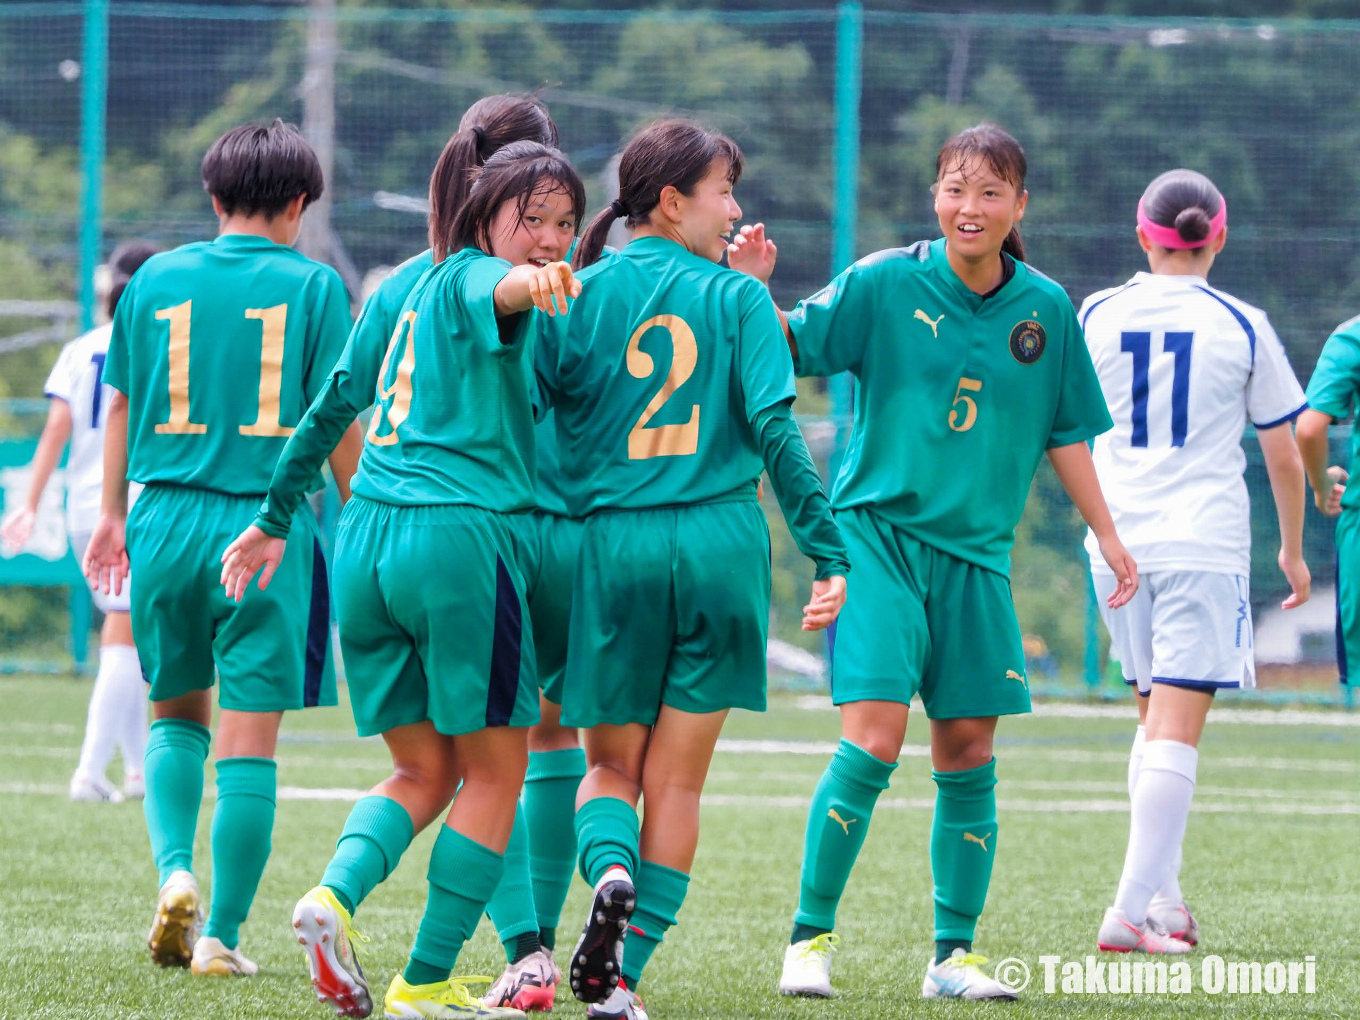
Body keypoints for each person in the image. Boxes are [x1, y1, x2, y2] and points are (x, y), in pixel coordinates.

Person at [729, 122, 1135, 1000]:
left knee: (969, 750)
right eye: (956, 188)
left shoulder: (1047, 309)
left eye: (990, 191)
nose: (970, 207)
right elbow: (787, 345)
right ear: (935, 197)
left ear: (1020, 205)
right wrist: (752, 286)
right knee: (873, 739)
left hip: (978, 559)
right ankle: (808, 940)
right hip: (876, 539)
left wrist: (1107, 533)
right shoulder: (884, 281)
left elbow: (1066, 432)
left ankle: (953, 957)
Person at [221, 141, 585, 1020]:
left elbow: (329, 409)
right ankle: (424, 978)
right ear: (482, 213)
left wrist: (273, 517)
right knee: (496, 773)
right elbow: (497, 290)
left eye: (564, 223)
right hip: (459, 542)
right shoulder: (483, 278)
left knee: (424, 770)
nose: (549, 236)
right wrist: (531, 281)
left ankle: (332, 897)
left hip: (368, 538)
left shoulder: (395, 290)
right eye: (532, 218)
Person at [536, 119, 850, 1020]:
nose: (736, 209)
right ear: (672, 203)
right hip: (719, 546)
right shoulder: (742, 298)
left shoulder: (574, 293)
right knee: (677, 784)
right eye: (724, 191)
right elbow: (778, 432)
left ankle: (612, 872)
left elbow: (532, 422)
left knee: (609, 768)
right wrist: (827, 549)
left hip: (614, 545)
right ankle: (622, 980)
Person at [82, 119, 362, 976]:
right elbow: (334, 415)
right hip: (264, 528)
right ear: (300, 204)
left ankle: (175, 874)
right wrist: (363, 516)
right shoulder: (315, 287)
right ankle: (223, 936)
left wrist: (110, 516)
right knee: (248, 744)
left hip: (161, 516)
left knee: (174, 715)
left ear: (213, 196)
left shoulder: (153, 279)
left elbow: (120, 403)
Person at [1082, 169, 1310, 954]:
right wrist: (1291, 549)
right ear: (1220, 237)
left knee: (1153, 722)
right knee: (1176, 731)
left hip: (1115, 545)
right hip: (1200, 545)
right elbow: (1284, 453)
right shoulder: (1242, 324)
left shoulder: (1095, 312)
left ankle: (1166, 904)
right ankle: (1126, 912)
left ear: (1141, 235)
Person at [2, 240, 159, 803]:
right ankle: (91, 771)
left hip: (82, 507)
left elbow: (55, 430)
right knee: (126, 629)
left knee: (126, 631)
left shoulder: (79, 348)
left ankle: (137, 770)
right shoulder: (157, 344)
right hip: (128, 503)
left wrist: (29, 501)